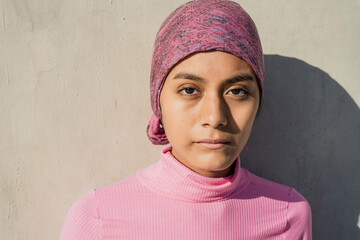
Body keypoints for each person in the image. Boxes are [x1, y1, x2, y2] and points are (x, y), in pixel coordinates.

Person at [60, 0, 312, 239]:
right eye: (189, 90)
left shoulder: (289, 215)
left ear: (258, 102)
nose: (215, 118)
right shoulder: (97, 219)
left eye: (237, 91)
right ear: (158, 101)